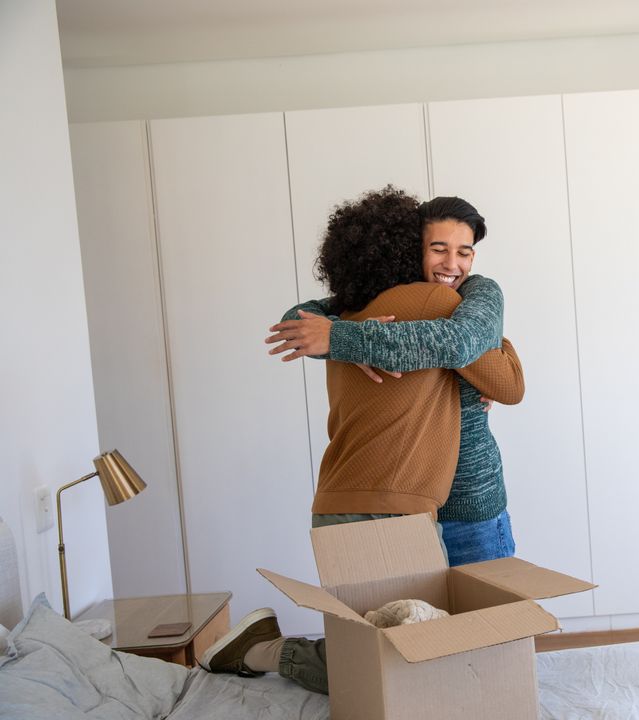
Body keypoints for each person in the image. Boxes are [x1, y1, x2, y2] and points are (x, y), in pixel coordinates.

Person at [199, 187, 523, 693]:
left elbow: (497, 375)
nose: (451, 263)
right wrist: (344, 330)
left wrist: (346, 339)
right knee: (411, 653)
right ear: (407, 248)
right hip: (411, 501)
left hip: (471, 503)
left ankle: (261, 652)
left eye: (464, 251)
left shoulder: (475, 295)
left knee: (481, 647)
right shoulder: (378, 307)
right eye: (437, 248)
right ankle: (265, 652)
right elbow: (296, 318)